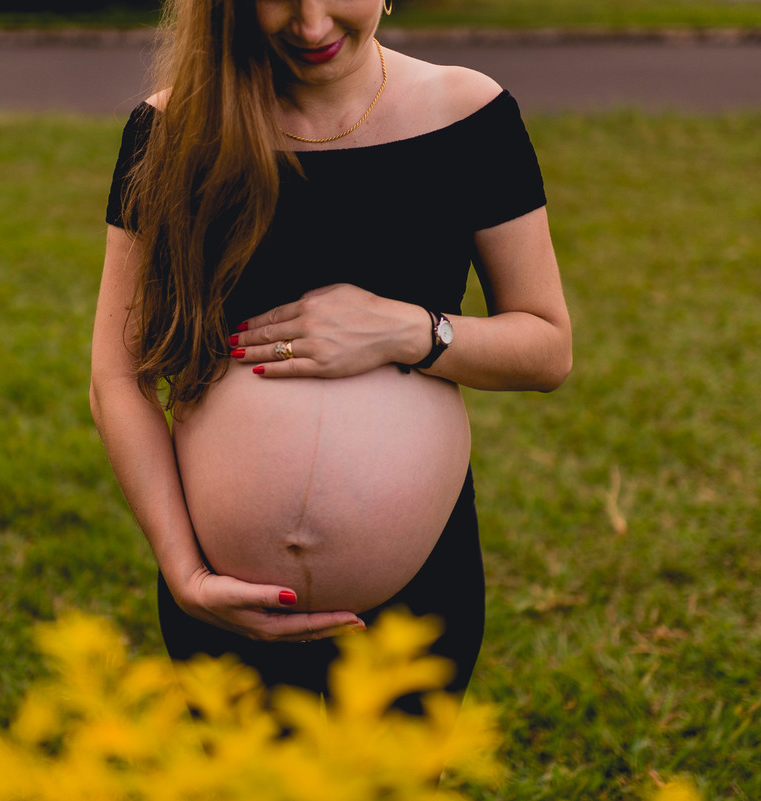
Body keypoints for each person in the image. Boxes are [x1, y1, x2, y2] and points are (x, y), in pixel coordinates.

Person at [90, 0, 571, 708]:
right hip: (220, 601)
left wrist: (408, 329)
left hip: (415, 605)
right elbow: (116, 375)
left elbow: (547, 346)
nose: (312, 25)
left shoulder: (468, 116)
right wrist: (183, 567)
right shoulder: (171, 132)